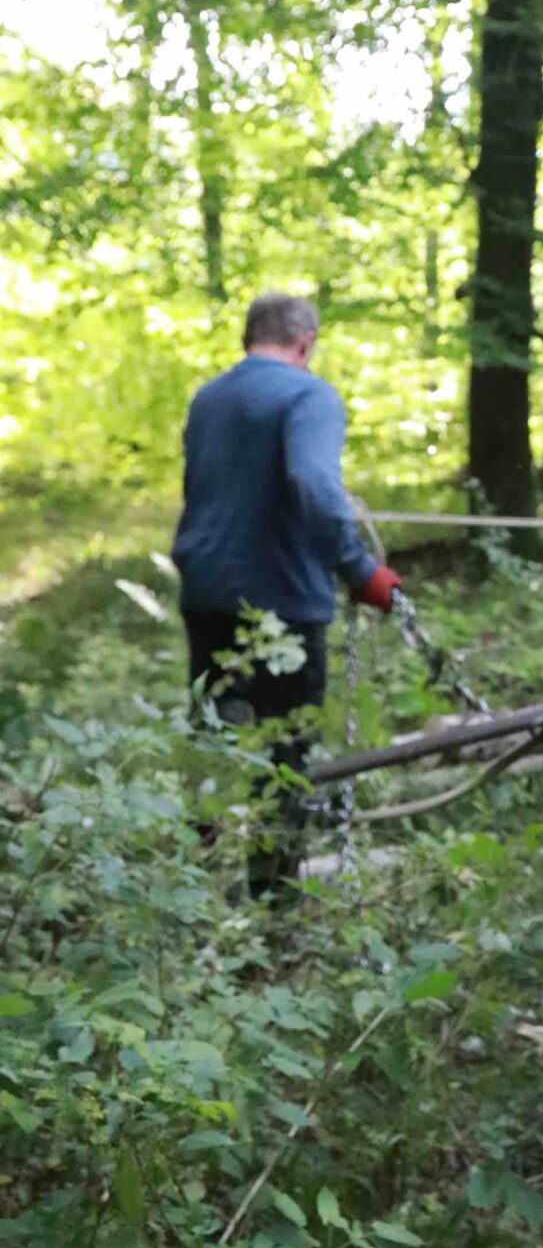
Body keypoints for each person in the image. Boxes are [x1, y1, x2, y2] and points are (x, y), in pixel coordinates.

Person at [172, 291, 402, 894]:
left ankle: (193, 895)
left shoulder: (208, 399)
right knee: (286, 756)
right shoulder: (309, 394)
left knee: (217, 743)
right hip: (284, 607)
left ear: (249, 338)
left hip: (206, 596)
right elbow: (313, 482)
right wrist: (359, 569)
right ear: (306, 343)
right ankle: (273, 909)